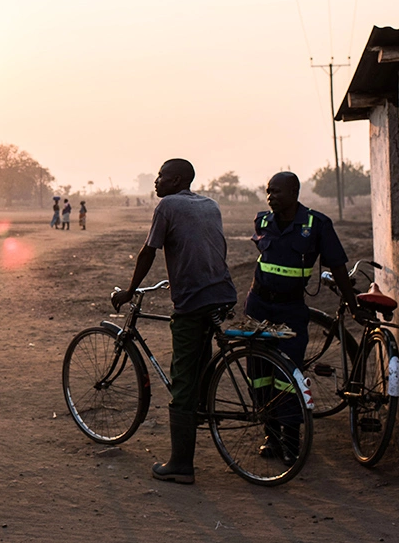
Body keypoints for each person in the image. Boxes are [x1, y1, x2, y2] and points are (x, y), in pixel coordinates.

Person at [111, 159, 237, 484]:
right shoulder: (210, 204)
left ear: (176, 179)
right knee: (201, 360)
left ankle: (181, 464)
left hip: (193, 300)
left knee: (181, 376)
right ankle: (199, 411)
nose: (156, 181)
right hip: (222, 293)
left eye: (161, 176)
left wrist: (129, 291)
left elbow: (148, 252)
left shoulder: (168, 205)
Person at [245, 171, 358, 463]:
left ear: (295, 192)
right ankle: (270, 436)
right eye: (268, 191)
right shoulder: (263, 221)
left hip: (290, 311)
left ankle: (291, 441)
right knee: (259, 375)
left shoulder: (316, 225)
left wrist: (353, 303)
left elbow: (337, 265)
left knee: (288, 376)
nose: (271, 197)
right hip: (258, 307)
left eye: (278, 192)